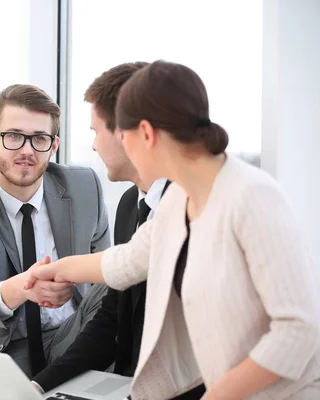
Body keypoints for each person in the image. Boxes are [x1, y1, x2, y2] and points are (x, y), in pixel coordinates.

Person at [26, 60, 320, 399]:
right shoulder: (179, 200)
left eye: (124, 134)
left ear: (147, 134)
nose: (117, 144)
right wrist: (52, 271)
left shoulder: (252, 196)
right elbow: (125, 262)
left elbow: (298, 330)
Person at [32, 62, 204, 399]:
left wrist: (57, 270)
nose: (93, 146)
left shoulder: (192, 209)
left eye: (96, 130)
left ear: (129, 133)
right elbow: (112, 314)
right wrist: (38, 386)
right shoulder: (129, 206)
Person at [0, 84, 110, 400]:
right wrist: (24, 287)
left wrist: (76, 275)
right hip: (4, 350)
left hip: (73, 336)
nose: (27, 150)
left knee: (119, 279)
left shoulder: (85, 187)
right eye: (14, 136)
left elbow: (107, 278)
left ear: (53, 145)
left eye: (39, 139)